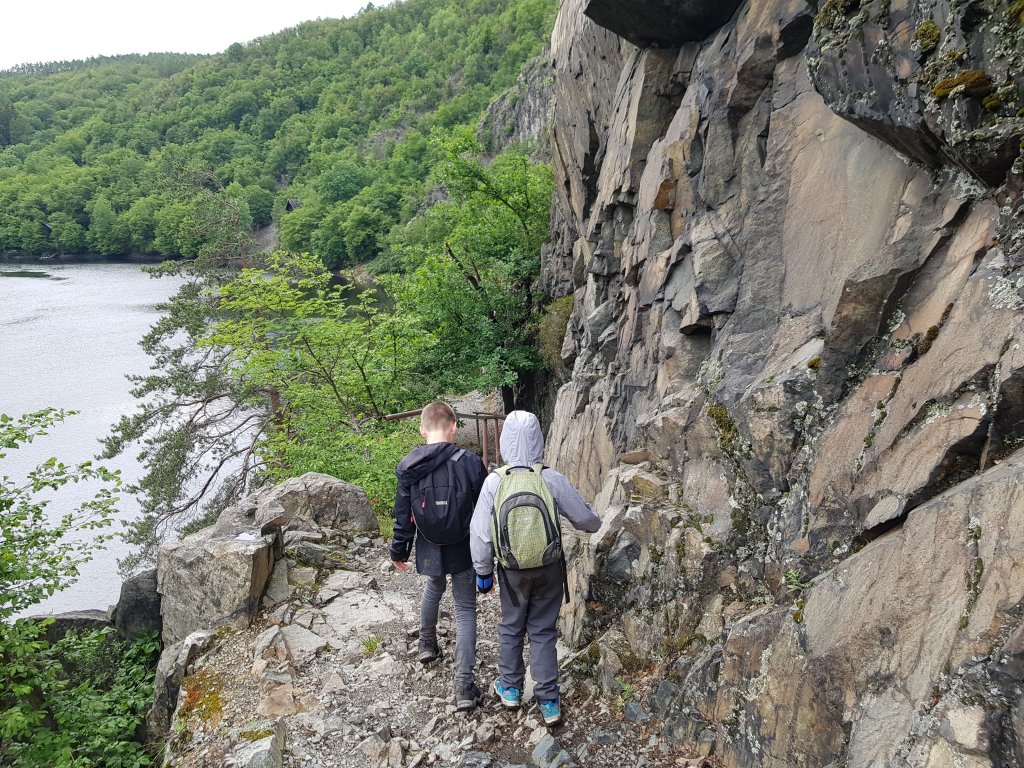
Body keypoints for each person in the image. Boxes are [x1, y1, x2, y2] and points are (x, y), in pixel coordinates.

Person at [470, 410, 601, 726]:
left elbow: (481, 534)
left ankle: (510, 689)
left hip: (511, 572)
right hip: (548, 567)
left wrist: (483, 572)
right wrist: (596, 518)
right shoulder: (550, 478)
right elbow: (586, 521)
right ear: (538, 440)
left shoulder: (494, 482)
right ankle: (549, 701)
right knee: (542, 630)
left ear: (504, 441)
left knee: (512, 626)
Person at [389, 401, 486, 711]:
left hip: (429, 542)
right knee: (465, 608)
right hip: (463, 542)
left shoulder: (409, 466)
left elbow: (403, 514)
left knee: (434, 585)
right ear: (454, 426)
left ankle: (426, 644)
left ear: (422, 430)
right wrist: (489, 552)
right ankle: (464, 687)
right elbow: (485, 511)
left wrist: (399, 549)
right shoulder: (470, 462)